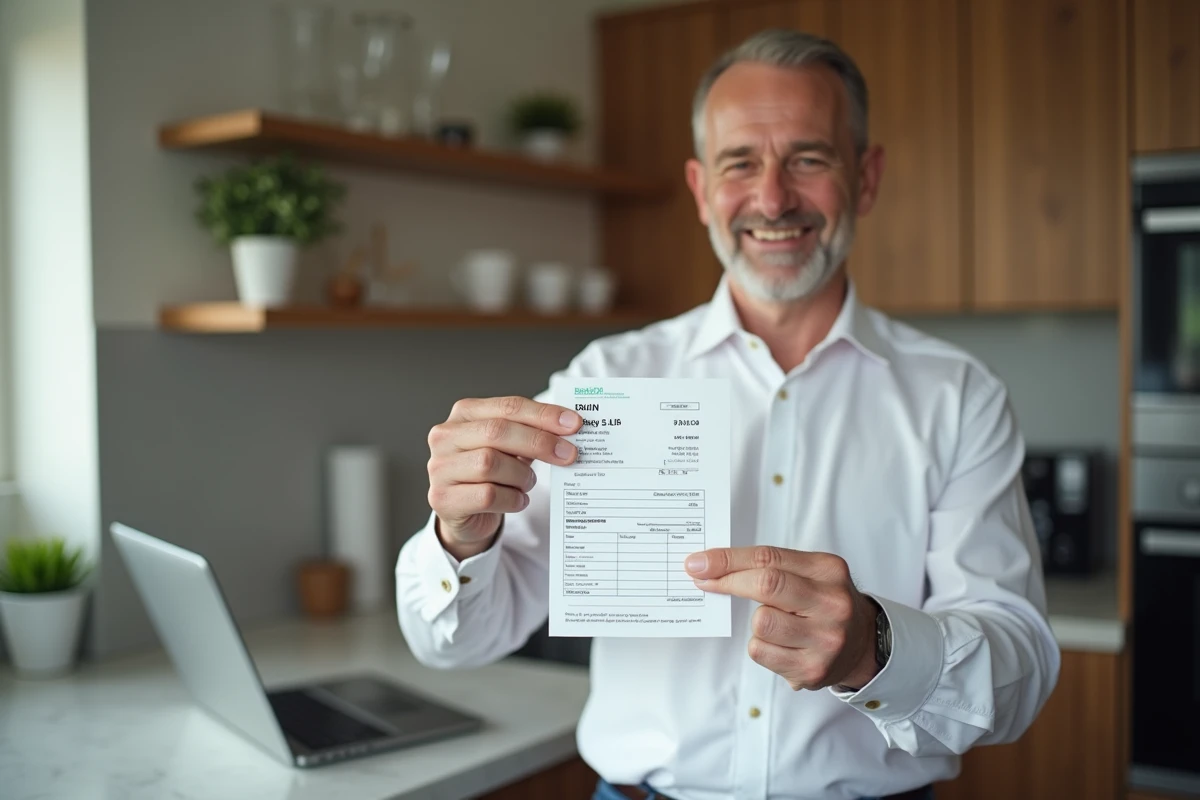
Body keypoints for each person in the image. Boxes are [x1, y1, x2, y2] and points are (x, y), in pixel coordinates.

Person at [396, 28, 1060, 800]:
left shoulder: (959, 396)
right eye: (740, 162)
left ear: (867, 178)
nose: (772, 200)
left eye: (808, 159)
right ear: (701, 187)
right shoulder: (606, 379)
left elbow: (1020, 672)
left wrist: (874, 648)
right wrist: (462, 538)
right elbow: (454, 642)